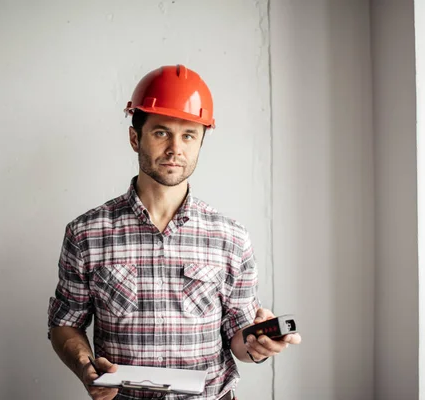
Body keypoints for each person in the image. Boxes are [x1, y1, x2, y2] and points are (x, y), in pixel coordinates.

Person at [47, 64, 302, 400]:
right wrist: (84, 365)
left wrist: (259, 344)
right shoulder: (86, 234)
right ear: (135, 137)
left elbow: (239, 342)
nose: (175, 149)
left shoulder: (231, 238)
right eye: (161, 132)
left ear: (200, 143)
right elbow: (65, 322)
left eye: (188, 135)